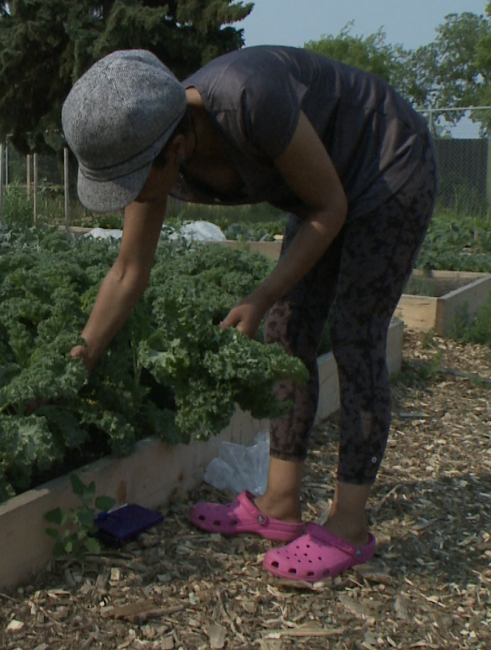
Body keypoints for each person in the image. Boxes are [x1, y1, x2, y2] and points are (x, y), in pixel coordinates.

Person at [61, 47, 437, 582]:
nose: (129, 197)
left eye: (131, 183)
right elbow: (127, 273)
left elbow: (330, 207)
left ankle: (350, 526)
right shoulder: (148, 140)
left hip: (387, 161)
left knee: (356, 334)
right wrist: (83, 356)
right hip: (323, 189)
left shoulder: (247, 98)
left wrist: (260, 296)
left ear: (177, 147)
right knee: (289, 331)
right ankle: (281, 504)